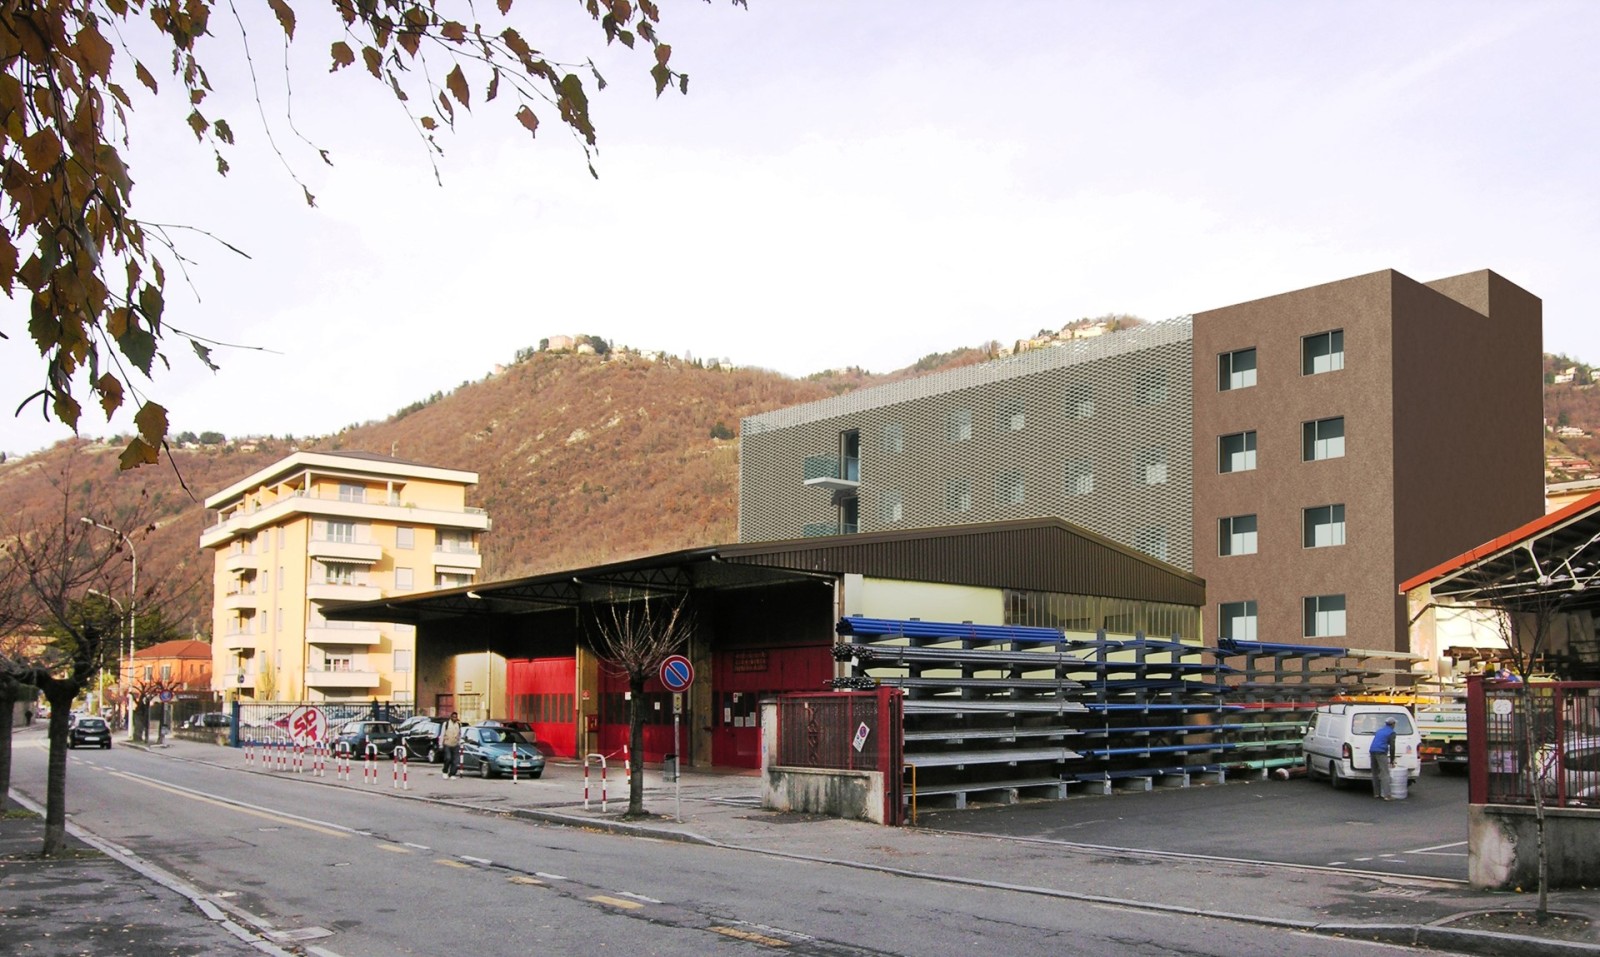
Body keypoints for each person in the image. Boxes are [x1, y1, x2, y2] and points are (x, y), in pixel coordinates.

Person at [1370, 717, 1398, 800]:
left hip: (1372, 751)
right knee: (1385, 773)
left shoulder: (1379, 731)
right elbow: (1392, 747)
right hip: (1381, 752)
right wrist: (1392, 760)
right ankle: (1387, 795)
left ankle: (1376, 793)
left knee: (1375, 773)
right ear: (1393, 724)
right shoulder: (1391, 733)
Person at [439, 712, 462, 779]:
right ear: (451, 717)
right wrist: (440, 744)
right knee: (448, 758)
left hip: (455, 744)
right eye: (453, 717)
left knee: (455, 761)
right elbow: (442, 734)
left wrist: (460, 741)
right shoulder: (446, 724)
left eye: (456, 717)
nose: (454, 718)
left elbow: (460, 734)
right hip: (447, 744)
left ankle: (452, 774)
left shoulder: (459, 724)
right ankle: (445, 771)